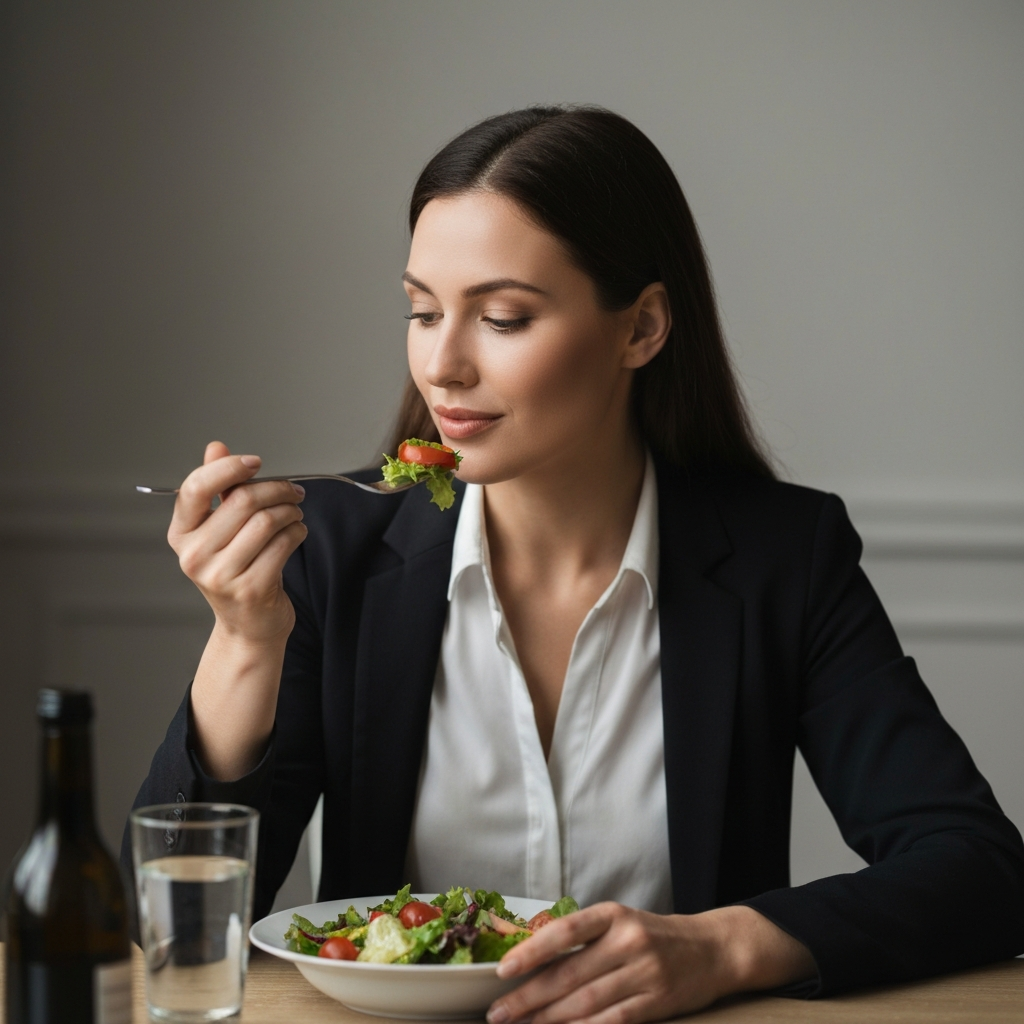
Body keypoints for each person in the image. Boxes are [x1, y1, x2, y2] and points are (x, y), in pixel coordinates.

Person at [123, 106, 1024, 1021]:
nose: (441, 365)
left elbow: (979, 867)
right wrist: (243, 640)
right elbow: (165, 923)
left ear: (641, 329)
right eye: (422, 311)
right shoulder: (335, 550)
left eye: (504, 317)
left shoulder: (780, 560)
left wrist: (722, 945)